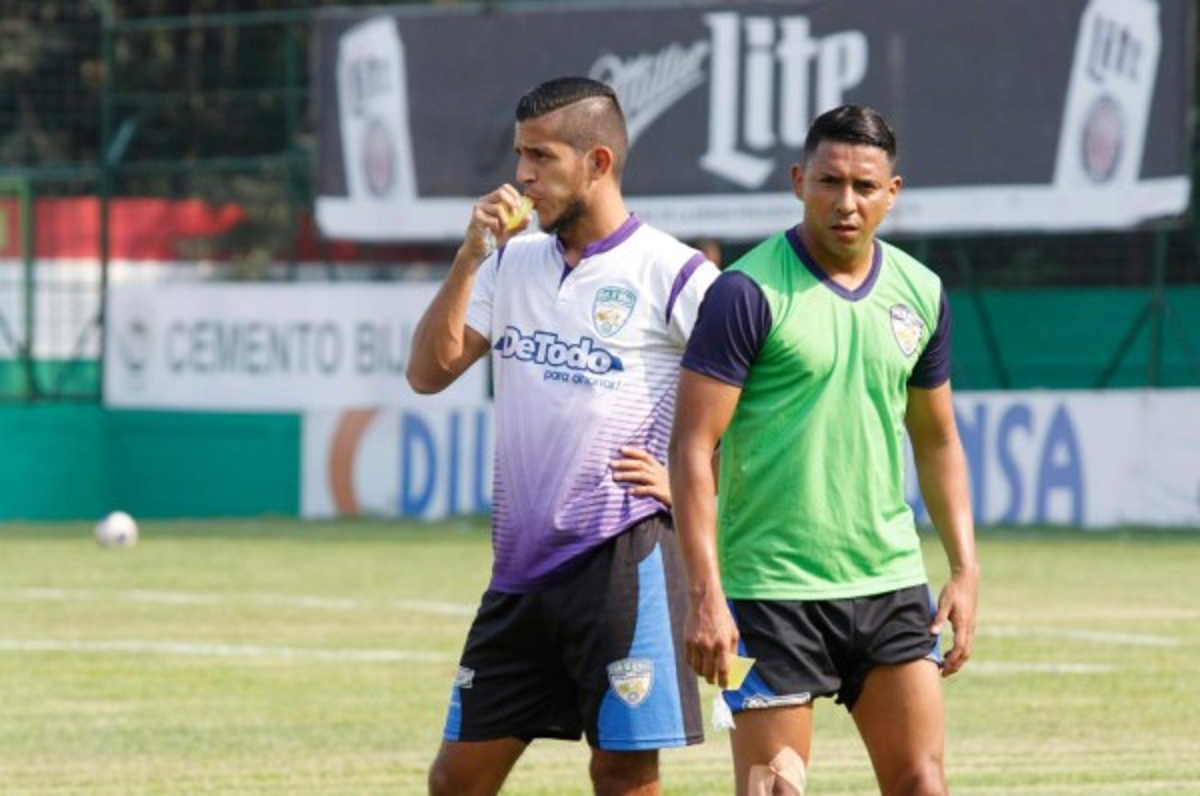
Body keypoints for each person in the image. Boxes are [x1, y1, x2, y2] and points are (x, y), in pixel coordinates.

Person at [407, 76, 719, 796]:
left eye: (541, 158)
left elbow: (756, 401)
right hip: (519, 573)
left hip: (623, 559)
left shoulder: (674, 274)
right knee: (457, 778)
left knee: (621, 774)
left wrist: (691, 480)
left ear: (599, 163)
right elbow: (428, 373)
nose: (521, 176)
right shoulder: (508, 264)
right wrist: (468, 257)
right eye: (520, 156)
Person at [668, 104, 979, 796]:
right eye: (829, 182)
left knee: (923, 785)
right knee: (773, 787)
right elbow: (692, 448)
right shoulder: (745, 294)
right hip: (769, 592)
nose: (846, 202)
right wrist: (705, 595)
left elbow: (937, 439)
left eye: (865, 187)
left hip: (890, 583)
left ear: (891, 192)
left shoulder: (920, 293)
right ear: (798, 180)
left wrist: (963, 568)